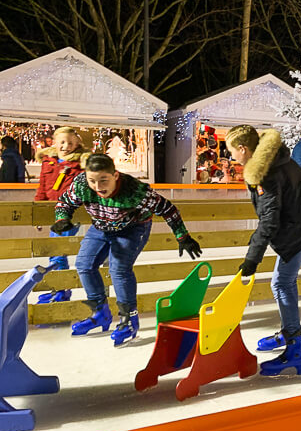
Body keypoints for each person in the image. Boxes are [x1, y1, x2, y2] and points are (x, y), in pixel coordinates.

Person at [52, 153, 202, 345]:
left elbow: (167, 208)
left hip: (132, 228)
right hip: (100, 226)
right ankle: (100, 313)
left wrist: (183, 237)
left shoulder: (135, 191)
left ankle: (129, 320)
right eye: (93, 181)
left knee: (119, 269)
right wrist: (62, 218)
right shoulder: (82, 184)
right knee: (84, 265)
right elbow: (65, 202)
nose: (98, 187)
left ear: (115, 176)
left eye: (103, 180)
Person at [226, 126, 301, 376]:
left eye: (232, 152)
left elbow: (269, 219)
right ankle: (287, 332)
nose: (231, 157)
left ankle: (295, 348)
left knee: (282, 283)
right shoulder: (268, 162)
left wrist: (251, 259)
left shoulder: (267, 173)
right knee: (281, 282)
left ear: (243, 149)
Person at [34, 126, 89, 304]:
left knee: (57, 251)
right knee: (56, 251)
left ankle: (61, 290)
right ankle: (60, 288)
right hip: (52, 212)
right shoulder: (48, 162)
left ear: (77, 143)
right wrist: (38, 213)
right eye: (63, 142)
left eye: (71, 142)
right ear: (54, 142)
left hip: (70, 214)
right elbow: (42, 188)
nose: (66, 146)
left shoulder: (81, 163)